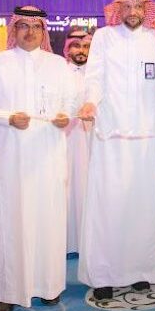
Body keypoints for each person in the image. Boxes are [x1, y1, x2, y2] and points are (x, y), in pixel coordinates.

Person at [77, 0, 155, 300]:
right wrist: (90, 102)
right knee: (109, 205)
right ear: (117, 9)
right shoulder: (104, 37)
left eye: (138, 7)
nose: (133, 12)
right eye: (127, 7)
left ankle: (140, 272)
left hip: (146, 137)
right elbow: (94, 78)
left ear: (146, 9)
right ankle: (103, 275)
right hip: (111, 135)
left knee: (142, 207)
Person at [0, 6, 75, 311]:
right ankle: (6, 290)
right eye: (23, 26)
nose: (30, 32)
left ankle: (48, 286)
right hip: (9, 157)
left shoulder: (58, 65)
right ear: (14, 29)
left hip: (47, 156)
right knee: (8, 220)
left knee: (47, 218)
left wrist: (66, 117)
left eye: (36, 27)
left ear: (43, 32)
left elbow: (70, 102)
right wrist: (6, 117)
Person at [62, 27, 93, 254]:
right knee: (68, 187)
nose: (81, 51)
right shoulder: (60, 73)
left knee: (89, 187)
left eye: (86, 47)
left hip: (93, 139)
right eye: (76, 46)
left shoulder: (97, 75)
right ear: (67, 49)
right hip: (67, 139)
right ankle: (67, 241)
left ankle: (88, 242)